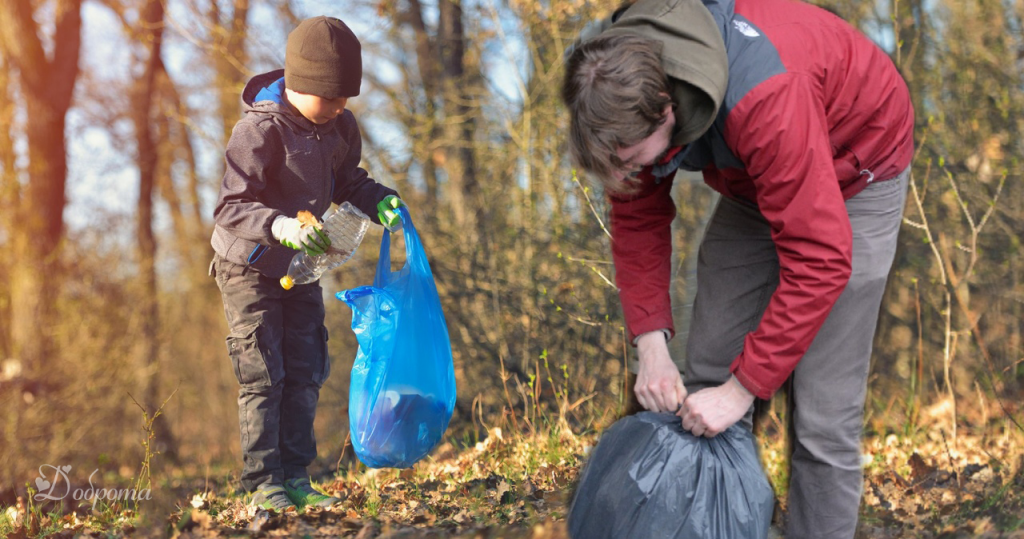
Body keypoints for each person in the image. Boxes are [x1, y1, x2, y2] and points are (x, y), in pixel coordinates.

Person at [562, 0, 914, 537]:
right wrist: (650, 346)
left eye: (631, 158)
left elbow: (821, 257)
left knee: (822, 416)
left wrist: (743, 389)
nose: (624, 172)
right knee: (706, 370)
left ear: (666, 108)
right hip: (761, 176)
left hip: (857, 166)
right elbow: (636, 217)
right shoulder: (617, 80)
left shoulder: (766, 95)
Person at [209, 15, 404, 512]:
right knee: (263, 371)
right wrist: (281, 225)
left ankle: (296, 475)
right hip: (248, 265)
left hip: (301, 269)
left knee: (306, 367)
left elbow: (348, 183)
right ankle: (262, 483)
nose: (339, 107)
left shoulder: (339, 127)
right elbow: (231, 206)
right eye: (330, 97)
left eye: (345, 98)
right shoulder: (259, 129)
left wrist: (378, 199)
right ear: (299, 84)